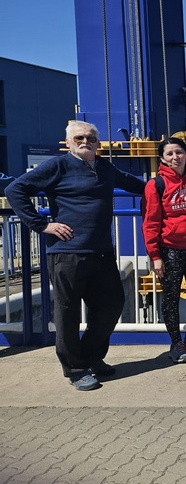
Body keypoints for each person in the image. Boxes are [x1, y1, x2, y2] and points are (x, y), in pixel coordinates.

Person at [6, 121, 145, 391]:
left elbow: (135, 184)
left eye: (91, 138)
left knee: (111, 305)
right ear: (68, 142)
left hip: (101, 251)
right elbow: (15, 190)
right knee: (67, 313)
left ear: (98, 143)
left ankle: (91, 357)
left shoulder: (104, 167)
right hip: (67, 252)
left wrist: (174, 184)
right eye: (79, 138)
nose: (85, 142)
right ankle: (75, 368)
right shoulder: (57, 166)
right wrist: (42, 225)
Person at [142, 137, 186, 364]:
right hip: (169, 250)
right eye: (169, 154)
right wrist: (155, 256)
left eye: (179, 152)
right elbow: (150, 222)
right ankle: (176, 343)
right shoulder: (156, 185)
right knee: (170, 298)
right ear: (162, 158)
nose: (175, 157)